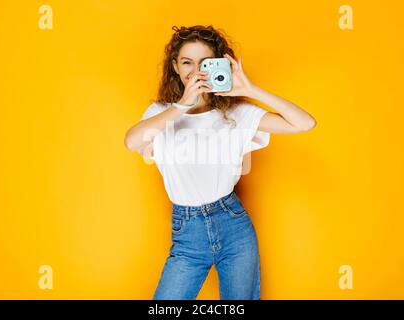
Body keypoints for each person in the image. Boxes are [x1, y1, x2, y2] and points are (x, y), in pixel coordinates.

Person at [124, 25, 317, 300]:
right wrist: (181, 106)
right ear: (175, 68)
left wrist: (252, 89)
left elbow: (305, 123)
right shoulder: (161, 114)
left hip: (234, 225)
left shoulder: (238, 114)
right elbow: (131, 142)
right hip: (187, 232)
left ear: (219, 65)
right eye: (187, 62)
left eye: (205, 63)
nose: (195, 71)